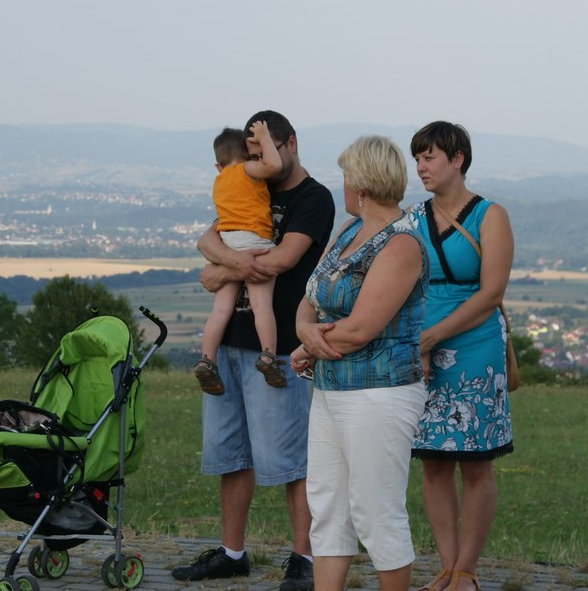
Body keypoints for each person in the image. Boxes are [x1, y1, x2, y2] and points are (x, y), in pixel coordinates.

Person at [171, 110, 335, 591]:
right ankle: (232, 553)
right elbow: (207, 238)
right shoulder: (248, 183)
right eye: (252, 153)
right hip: (229, 343)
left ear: (290, 144)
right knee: (231, 454)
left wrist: (223, 270)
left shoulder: (314, 198)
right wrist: (230, 260)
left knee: (292, 459)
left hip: (279, 348)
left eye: (264, 152)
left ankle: (304, 558)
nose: (258, 160)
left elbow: (282, 260)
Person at [289, 135, 429, 591]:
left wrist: (309, 345)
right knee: (328, 508)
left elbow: (360, 329)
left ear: (361, 186)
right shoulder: (350, 231)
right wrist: (305, 331)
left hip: (380, 395)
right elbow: (311, 295)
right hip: (331, 391)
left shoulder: (401, 244)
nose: (343, 185)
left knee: (376, 512)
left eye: (346, 177)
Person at [407, 121, 514, 591]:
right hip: (421, 348)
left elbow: (491, 293)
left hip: (475, 347)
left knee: (475, 461)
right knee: (432, 461)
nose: (420, 166)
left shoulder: (490, 216)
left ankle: (467, 570)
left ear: (457, 159)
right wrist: (419, 341)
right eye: (417, 158)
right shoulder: (412, 218)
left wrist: (433, 337)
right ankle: (447, 567)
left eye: (429, 156)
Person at [194, 120, 283, 395]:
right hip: (253, 239)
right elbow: (274, 166)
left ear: (217, 166)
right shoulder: (245, 169)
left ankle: (207, 360)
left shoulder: (219, 180)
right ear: (246, 156)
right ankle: (268, 356)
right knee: (262, 305)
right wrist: (264, 137)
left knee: (220, 310)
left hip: (227, 242)